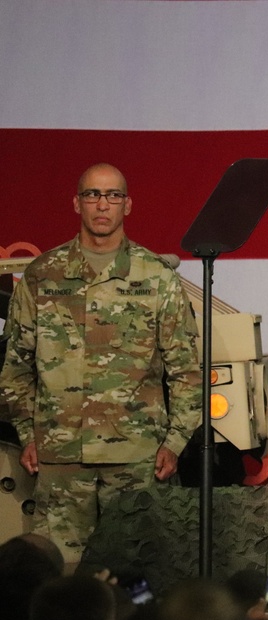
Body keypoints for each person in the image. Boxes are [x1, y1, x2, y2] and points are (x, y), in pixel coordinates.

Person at [0, 163, 201, 565]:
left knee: (137, 576)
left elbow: (186, 370)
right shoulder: (43, 275)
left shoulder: (157, 278)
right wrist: (27, 432)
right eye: (92, 195)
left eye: (112, 196)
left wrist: (175, 441)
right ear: (77, 203)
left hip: (137, 457)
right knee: (59, 578)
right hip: (61, 460)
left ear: (128, 204)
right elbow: (16, 366)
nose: (102, 205)